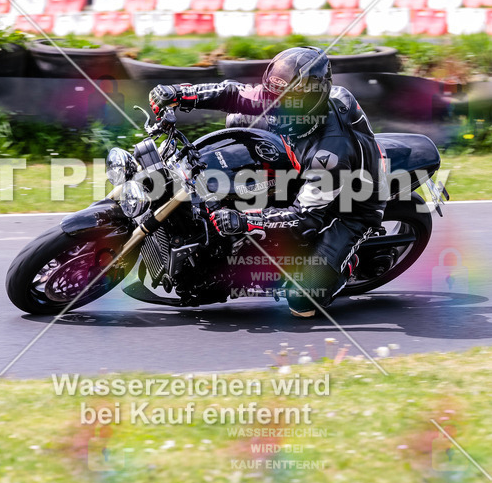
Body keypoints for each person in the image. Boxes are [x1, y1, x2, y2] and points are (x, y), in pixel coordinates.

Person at [148, 46, 387, 317]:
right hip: (298, 162)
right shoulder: (292, 100)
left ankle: (347, 263)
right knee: (236, 121)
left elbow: (304, 218)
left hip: (350, 205)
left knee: (302, 302)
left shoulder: (329, 156)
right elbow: (234, 94)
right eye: (274, 97)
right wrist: (180, 94)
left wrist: (247, 221)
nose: (274, 105)